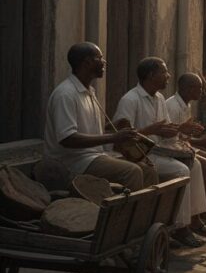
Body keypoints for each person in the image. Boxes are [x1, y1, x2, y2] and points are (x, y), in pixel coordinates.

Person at [114, 57, 206, 247]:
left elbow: (166, 128)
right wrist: (152, 130)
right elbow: (121, 137)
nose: (168, 76)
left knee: (196, 164)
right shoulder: (130, 99)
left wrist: (181, 129)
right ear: (151, 75)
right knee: (182, 171)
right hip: (140, 154)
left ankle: (192, 220)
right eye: (164, 72)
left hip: (159, 151)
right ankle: (180, 228)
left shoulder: (158, 98)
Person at [43, 43, 159, 192]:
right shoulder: (65, 94)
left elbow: (84, 128)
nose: (104, 62)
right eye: (100, 58)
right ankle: (124, 215)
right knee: (131, 171)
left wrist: (111, 126)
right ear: (87, 62)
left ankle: (146, 214)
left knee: (148, 170)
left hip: (94, 156)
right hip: (73, 161)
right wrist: (114, 138)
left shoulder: (89, 91)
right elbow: (67, 138)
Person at [165, 73, 206, 229]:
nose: (201, 91)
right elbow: (173, 137)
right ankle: (197, 214)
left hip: (184, 146)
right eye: (199, 88)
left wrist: (197, 135)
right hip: (172, 148)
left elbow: (184, 135)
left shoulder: (186, 104)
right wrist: (200, 141)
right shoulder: (172, 106)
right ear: (187, 89)